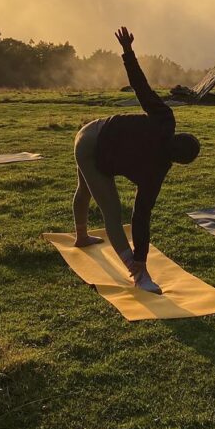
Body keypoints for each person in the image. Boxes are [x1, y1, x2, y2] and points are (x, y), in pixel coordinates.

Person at [73, 26, 201, 293]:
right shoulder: (157, 171)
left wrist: (128, 51)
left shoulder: (165, 121)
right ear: (179, 163)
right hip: (93, 147)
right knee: (112, 211)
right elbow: (141, 215)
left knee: (86, 188)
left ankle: (82, 236)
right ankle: (137, 275)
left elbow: (142, 88)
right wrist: (140, 260)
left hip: (90, 133)